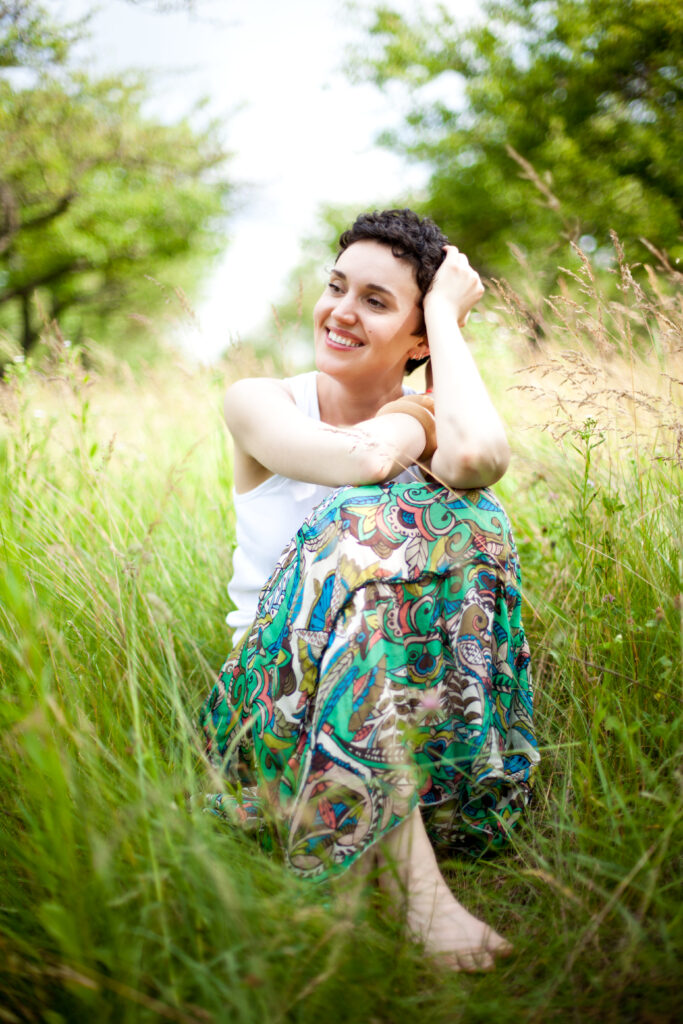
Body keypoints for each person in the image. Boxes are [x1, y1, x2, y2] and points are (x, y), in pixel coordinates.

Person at [200, 209, 539, 971]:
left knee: (471, 510)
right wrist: (404, 430)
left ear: (419, 339)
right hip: (269, 724)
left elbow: (481, 456)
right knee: (360, 529)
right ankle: (422, 903)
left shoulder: (428, 409)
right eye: (335, 286)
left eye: (376, 301)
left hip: (423, 721)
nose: (340, 312)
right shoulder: (259, 401)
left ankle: (430, 805)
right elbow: (353, 467)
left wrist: (448, 325)